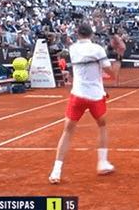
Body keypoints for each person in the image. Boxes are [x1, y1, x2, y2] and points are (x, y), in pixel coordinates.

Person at [48, 22, 117, 184]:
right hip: (95, 96)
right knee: (102, 126)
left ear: (78, 35)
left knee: (68, 131)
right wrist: (117, 57)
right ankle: (102, 163)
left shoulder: (73, 49)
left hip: (77, 95)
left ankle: (56, 171)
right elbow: (111, 72)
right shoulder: (98, 50)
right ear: (91, 35)